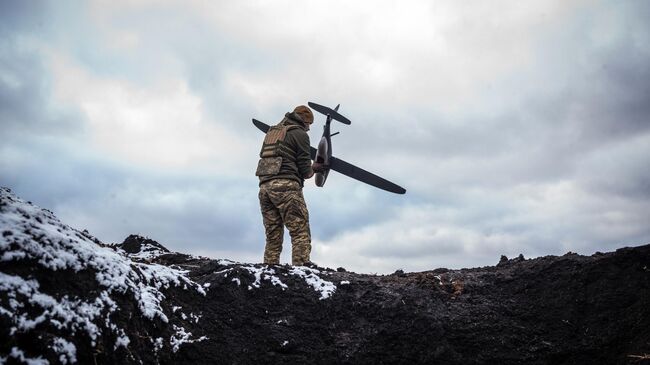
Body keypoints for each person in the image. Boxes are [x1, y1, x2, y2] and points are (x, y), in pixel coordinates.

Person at [256, 105, 325, 266]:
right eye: (309, 124)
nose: (309, 129)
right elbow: (305, 169)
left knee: (273, 233)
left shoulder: (273, 132)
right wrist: (314, 169)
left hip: (264, 187)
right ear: (304, 121)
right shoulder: (299, 134)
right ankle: (301, 270)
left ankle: (270, 269)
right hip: (286, 186)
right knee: (299, 230)